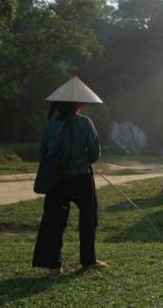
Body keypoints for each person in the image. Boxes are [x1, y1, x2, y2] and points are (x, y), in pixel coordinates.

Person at [32, 76, 108, 278]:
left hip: (57, 180)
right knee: (88, 218)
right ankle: (88, 260)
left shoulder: (49, 125)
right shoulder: (85, 123)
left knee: (54, 221)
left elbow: (43, 154)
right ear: (78, 104)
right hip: (81, 177)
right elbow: (94, 153)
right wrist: (83, 161)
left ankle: (53, 266)